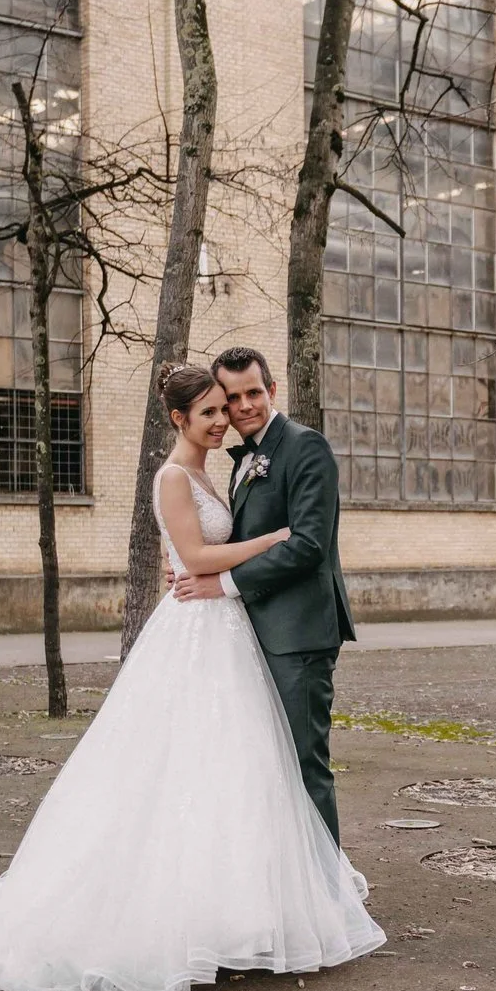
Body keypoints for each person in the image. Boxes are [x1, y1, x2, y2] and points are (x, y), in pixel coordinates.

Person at [0, 363, 383, 991]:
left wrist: (240, 563)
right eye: (216, 407)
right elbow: (196, 558)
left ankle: (292, 900)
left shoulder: (245, 460)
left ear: (271, 392)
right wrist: (260, 546)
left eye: (239, 400)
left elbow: (290, 545)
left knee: (268, 767)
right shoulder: (179, 475)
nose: (228, 414)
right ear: (181, 419)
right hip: (205, 629)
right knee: (200, 769)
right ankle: (228, 911)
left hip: (241, 628)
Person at [170, 347, 356, 840]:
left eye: (254, 392)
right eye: (232, 398)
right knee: (264, 766)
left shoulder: (305, 447)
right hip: (251, 633)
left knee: (304, 764)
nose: (245, 405)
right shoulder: (237, 461)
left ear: (272, 391)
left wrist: (222, 583)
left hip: (298, 635)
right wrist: (190, 565)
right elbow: (231, 539)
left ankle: (326, 891)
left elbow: (309, 545)